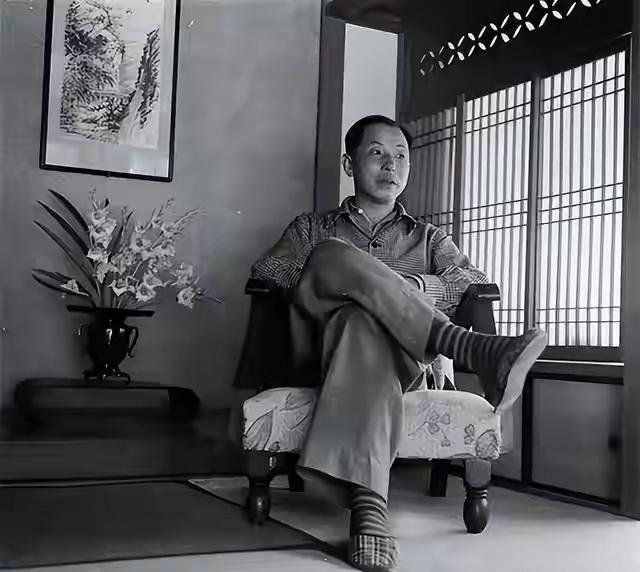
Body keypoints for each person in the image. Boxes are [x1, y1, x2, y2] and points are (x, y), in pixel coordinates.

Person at [250, 115, 547, 572]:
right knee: (332, 259)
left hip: (406, 367)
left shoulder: (430, 238)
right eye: (377, 153)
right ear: (349, 164)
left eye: (401, 156)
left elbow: (472, 281)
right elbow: (269, 271)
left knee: (362, 323)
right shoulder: (312, 228)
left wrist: (412, 286)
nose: (391, 165)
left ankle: (370, 509)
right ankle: (471, 347)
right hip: (319, 356)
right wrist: (355, 281)